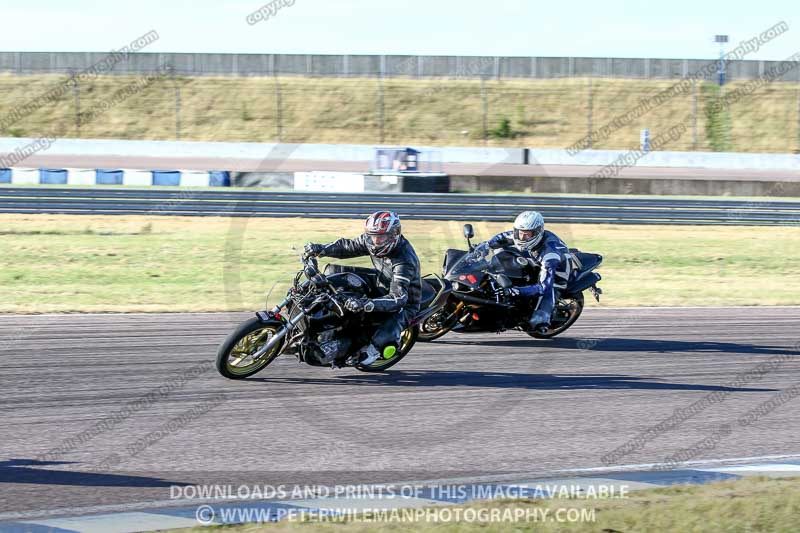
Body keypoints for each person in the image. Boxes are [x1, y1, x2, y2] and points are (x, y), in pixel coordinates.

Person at [303, 211, 421, 366]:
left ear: (394, 234)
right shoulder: (372, 241)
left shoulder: (404, 260)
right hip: (380, 281)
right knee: (332, 273)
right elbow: (348, 246)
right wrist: (320, 249)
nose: (376, 240)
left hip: (404, 302)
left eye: (381, 236)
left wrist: (366, 304)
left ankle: (371, 352)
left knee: (371, 350)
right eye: (373, 235)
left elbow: (399, 298)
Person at [487, 211, 573, 334]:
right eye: (520, 233)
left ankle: (544, 320)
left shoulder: (550, 254)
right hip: (536, 261)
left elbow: (544, 287)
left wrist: (516, 290)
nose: (522, 237)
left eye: (527, 235)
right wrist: (485, 246)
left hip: (557, 273)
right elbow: (500, 238)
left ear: (538, 232)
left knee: (539, 317)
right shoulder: (521, 235)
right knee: (502, 253)